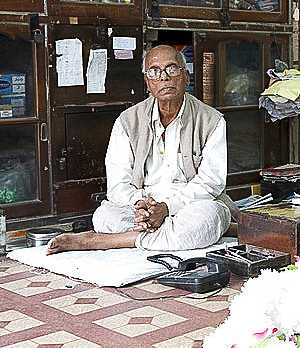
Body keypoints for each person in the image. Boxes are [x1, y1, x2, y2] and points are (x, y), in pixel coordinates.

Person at [47, 45, 236, 254]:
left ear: (186, 76)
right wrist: (139, 205)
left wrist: (167, 208)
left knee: (210, 216)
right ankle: (157, 234)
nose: (164, 77)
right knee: (104, 217)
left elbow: (211, 183)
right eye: (154, 71)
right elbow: (118, 183)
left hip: (189, 206)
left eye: (172, 69)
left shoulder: (212, 120)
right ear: (147, 82)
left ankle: (101, 241)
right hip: (142, 206)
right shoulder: (127, 121)